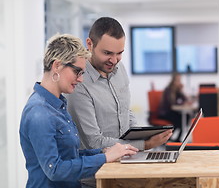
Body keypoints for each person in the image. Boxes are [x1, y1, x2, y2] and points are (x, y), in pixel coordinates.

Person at [19, 34, 138, 188]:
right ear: (57, 66)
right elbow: (55, 170)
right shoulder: (39, 112)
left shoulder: (58, 105)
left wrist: (103, 152)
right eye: (77, 72)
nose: (81, 79)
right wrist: (105, 158)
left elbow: (70, 155)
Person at [66, 17, 172, 150]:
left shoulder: (119, 68)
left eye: (119, 53)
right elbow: (93, 142)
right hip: (100, 164)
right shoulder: (79, 83)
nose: (114, 60)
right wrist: (144, 144)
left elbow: (125, 110)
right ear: (90, 44)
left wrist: (142, 135)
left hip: (127, 155)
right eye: (107, 53)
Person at [158, 73, 188, 141]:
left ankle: (177, 139)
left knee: (186, 117)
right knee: (180, 120)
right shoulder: (168, 90)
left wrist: (181, 90)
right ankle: (170, 138)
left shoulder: (177, 90)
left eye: (180, 80)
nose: (179, 82)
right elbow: (171, 103)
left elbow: (184, 99)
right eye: (178, 80)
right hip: (165, 113)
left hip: (173, 112)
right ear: (173, 81)